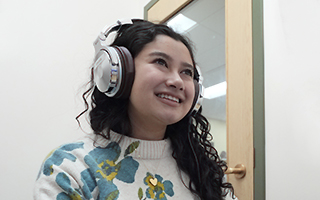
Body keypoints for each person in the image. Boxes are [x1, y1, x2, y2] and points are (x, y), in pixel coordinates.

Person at [34, 19, 236, 200]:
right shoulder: (70, 167)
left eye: (186, 72)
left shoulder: (203, 168)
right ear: (118, 71)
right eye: (160, 62)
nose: (177, 81)